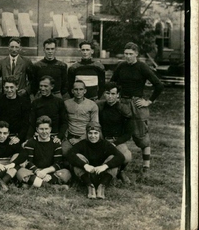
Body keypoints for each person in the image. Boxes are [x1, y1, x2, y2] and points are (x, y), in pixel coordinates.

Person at [110, 42, 164, 180]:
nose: (127, 56)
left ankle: (146, 166)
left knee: (141, 135)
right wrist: (114, 97)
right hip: (122, 102)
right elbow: (112, 83)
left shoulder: (142, 67)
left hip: (137, 104)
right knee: (118, 132)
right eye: (126, 54)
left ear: (136, 54)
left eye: (130, 54)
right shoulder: (121, 66)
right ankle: (118, 165)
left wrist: (148, 101)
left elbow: (158, 85)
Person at [67, 122, 125, 199]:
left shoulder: (105, 144)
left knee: (112, 158)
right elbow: (70, 154)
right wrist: (85, 165)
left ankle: (102, 186)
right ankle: (90, 186)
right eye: (90, 133)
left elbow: (121, 157)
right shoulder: (83, 143)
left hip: (102, 174)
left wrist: (105, 166)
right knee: (78, 157)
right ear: (87, 134)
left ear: (100, 133)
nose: (93, 136)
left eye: (95, 133)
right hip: (87, 175)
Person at [17, 116, 71, 189]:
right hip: (35, 171)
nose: (44, 132)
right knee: (20, 172)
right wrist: (38, 172)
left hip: (50, 172)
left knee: (66, 173)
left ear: (50, 129)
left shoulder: (56, 143)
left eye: (46, 129)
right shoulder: (30, 142)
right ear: (37, 129)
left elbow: (58, 163)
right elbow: (29, 162)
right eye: (41, 129)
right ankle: (51, 187)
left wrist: (45, 171)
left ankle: (35, 184)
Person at [97, 82, 133, 184]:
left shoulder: (123, 109)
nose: (110, 96)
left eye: (113, 94)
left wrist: (115, 143)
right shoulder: (100, 107)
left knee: (126, 157)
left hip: (116, 140)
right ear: (104, 94)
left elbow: (128, 133)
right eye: (108, 93)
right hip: (102, 139)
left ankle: (120, 171)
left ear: (118, 95)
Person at [62, 80, 99, 156]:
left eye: (81, 89)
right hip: (70, 137)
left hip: (86, 137)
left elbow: (94, 125)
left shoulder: (92, 105)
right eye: (76, 89)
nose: (78, 92)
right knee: (63, 152)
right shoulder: (66, 103)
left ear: (85, 91)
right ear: (72, 91)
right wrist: (66, 137)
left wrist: (80, 139)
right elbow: (63, 122)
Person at [27, 76, 68, 140]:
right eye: (41, 86)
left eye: (45, 86)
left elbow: (64, 123)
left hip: (55, 137)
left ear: (52, 87)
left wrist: (59, 137)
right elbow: (32, 123)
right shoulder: (35, 103)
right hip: (39, 136)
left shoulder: (59, 102)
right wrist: (28, 139)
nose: (42, 88)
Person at [0, 76, 31, 143]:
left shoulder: (23, 102)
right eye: (6, 87)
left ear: (16, 87)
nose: (9, 90)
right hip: (1, 136)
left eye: (11, 87)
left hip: (17, 137)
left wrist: (19, 137)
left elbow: (25, 123)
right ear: (3, 87)